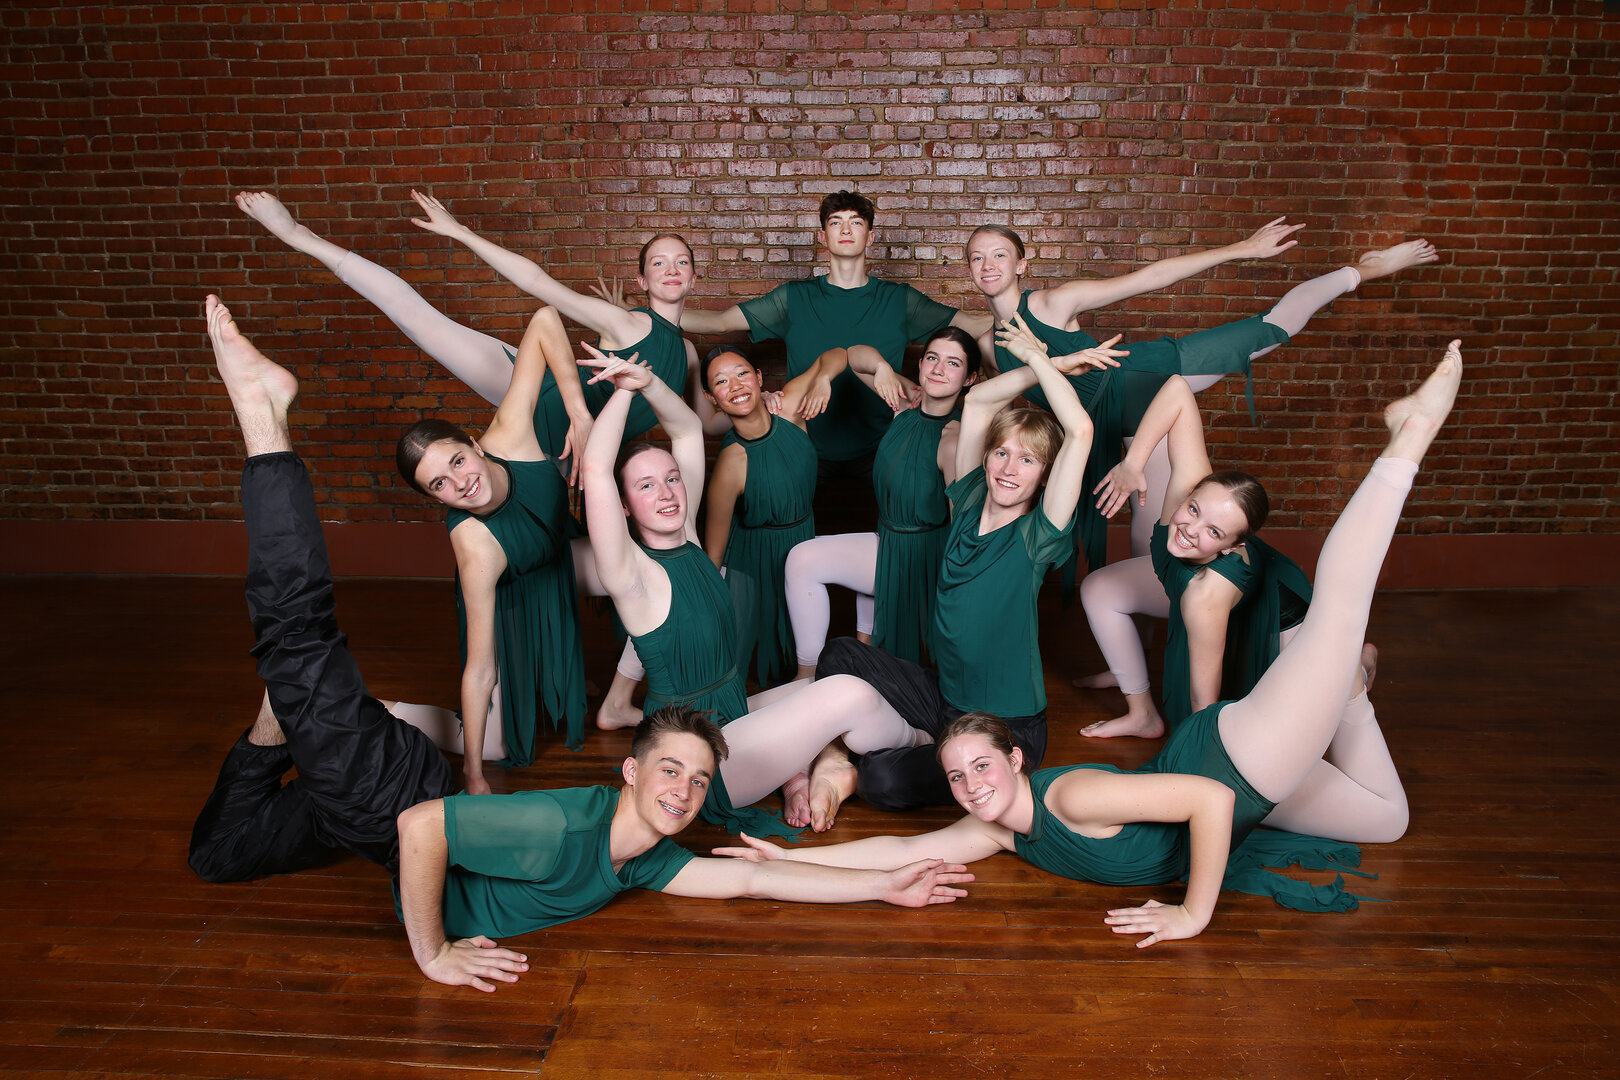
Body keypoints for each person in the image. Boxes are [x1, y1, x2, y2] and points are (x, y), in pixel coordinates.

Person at [720, 340, 1463, 943]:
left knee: (1340, 613)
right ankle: (1348, 697)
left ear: (1017, 755)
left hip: (1234, 766)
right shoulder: (1002, 830)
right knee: (1387, 820)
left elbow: (1210, 801)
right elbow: (905, 850)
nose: (971, 788)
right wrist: (777, 867)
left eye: (976, 768)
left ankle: (1409, 438)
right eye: (959, 778)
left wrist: (1192, 914)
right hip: (1222, 769)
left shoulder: (1070, 795)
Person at [397, 705, 975, 992]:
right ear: (631, 771)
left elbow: (754, 879)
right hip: (420, 898)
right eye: (670, 770)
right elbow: (420, 827)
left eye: (699, 780)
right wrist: (434, 953)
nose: (684, 791)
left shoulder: (646, 855)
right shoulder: (558, 823)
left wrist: (884, 887)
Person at [969, 224, 1436, 575]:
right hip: (1114, 430)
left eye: (999, 255)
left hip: (1149, 378)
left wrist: (1243, 248)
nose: (988, 265)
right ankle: (1137, 649)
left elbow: (1150, 277)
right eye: (977, 258)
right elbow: (1006, 415)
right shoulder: (990, 347)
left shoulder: (1051, 304)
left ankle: (1363, 269)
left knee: (1274, 327)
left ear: (1021, 265)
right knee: (1148, 535)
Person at [189, 294, 458, 883]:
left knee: (215, 856)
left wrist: (276, 725)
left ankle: (284, 712)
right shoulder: (595, 839)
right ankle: (260, 412)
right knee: (295, 633)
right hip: (388, 799)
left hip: (356, 803)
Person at [807, 318, 1106, 813]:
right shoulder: (966, 502)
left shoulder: (1037, 536)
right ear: (986, 457)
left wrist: (1037, 357)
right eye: (1002, 453)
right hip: (945, 700)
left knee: (882, 780)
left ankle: (914, 753)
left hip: (1006, 727)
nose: (1009, 469)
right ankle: (841, 756)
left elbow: (1081, 430)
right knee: (840, 653)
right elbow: (981, 401)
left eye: (1028, 461)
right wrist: (1051, 365)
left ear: (1045, 477)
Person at [392, 306, 590, 790]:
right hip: (509, 598)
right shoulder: (476, 548)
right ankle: (383, 709)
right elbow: (480, 670)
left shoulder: (510, 432)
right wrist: (474, 773)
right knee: (496, 745)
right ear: (434, 499)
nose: (460, 483)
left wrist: (579, 413)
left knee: (645, 568)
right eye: (440, 484)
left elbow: (544, 319)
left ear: (475, 445)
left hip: (561, 557)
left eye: (458, 461)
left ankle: (623, 694)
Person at [678, 190, 990, 491]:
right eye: (836, 222)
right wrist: (652, 316)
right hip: (805, 441)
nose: (846, 230)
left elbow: (975, 326)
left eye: (856, 222)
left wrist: (1017, 306)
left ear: (870, 237)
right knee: (767, 501)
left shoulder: (899, 300)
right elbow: (719, 322)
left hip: (882, 444)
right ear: (823, 236)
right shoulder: (794, 298)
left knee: (921, 501)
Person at [1077, 374, 1320, 739]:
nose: (1191, 529)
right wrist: (1133, 464)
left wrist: (1197, 757)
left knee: (1320, 703)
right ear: (1191, 493)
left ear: (1230, 547)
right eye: (1193, 509)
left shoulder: (1206, 594)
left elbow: (1204, 703)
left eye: (1214, 531)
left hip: (1279, 612)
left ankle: (1359, 661)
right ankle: (1142, 714)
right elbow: (1176, 387)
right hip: (1200, 578)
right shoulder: (1191, 492)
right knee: (1099, 589)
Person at [783, 326, 980, 677]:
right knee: (804, 560)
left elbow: (961, 525)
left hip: (919, 557)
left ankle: (807, 676)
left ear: (969, 379)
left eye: (953, 363)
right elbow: (852, 355)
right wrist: (883, 369)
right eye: (932, 358)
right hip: (888, 537)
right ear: (920, 364)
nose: (938, 369)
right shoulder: (904, 404)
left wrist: (954, 592)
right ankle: (832, 667)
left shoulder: (953, 438)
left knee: (802, 560)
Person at [702, 346, 840, 686]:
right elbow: (714, 551)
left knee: (802, 645)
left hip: (802, 539)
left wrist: (823, 378)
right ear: (712, 399)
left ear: (759, 378)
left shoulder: (790, 408)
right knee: (746, 656)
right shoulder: (731, 463)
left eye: (742, 373)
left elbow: (837, 354)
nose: (735, 385)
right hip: (755, 557)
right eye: (721, 382)